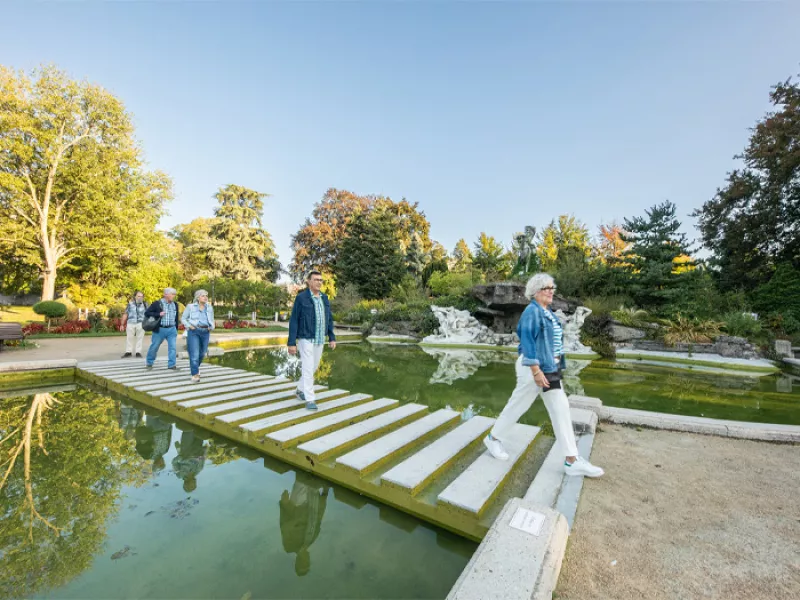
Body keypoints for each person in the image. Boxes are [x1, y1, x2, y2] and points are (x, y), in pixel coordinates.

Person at [483, 273, 604, 478]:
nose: (551, 291)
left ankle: (572, 459)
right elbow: (527, 341)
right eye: (546, 288)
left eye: (552, 288)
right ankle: (493, 438)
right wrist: (536, 371)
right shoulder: (532, 311)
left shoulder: (547, 313)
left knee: (560, 408)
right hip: (534, 368)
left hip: (549, 368)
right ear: (535, 291)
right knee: (519, 405)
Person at [287, 270, 336, 410]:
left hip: (320, 339)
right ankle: (310, 399)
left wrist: (332, 337)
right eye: (316, 279)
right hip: (306, 338)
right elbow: (294, 320)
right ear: (308, 281)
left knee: (313, 367)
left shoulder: (324, 298)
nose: (319, 282)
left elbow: (329, 319)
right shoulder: (301, 298)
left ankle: (299, 390)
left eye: (321, 280)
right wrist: (291, 342)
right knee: (308, 368)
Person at [279, 471, 330, 577]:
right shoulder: (311, 539)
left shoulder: (289, 546)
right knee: (313, 473)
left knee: (302, 476)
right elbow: (318, 517)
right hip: (313, 501)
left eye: (304, 562)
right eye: (308, 562)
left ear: (298, 561)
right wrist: (325, 494)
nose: (307, 559)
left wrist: (284, 503)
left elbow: (284, 524)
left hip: (297, 505)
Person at [181, 289, 215, 383]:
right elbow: (183, 319)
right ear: (198, 297)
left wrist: (211, 327)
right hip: (194, 331)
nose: (205, 297)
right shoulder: (190, 307)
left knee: (202, 353)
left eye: (206, 296)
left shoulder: (209, 307)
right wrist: (189, 326)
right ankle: (195, 374)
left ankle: (195, 368)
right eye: (203, 295)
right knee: (194, 354)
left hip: (205, 331)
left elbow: (211, 319)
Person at [144, 287, 180, 370]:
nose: (174, 296)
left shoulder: (175, 304)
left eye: (174, 294)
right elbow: (147, 313)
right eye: (172, 294)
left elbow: (176, 317)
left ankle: (172, 365)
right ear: (166, 294)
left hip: (172, 329)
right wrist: (158, 314)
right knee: (154, 346)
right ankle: (149, 363)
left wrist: (176, 328)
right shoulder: (157, 303)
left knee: (173, 347)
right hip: (160, 329)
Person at [121, 290, 147, 358]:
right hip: (131, 322)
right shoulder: (130, 304)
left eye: (141, 296)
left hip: (141, 323)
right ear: (135, 296)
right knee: (129, 338)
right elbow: (126, 313)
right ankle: (128, 352)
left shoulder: (145, 304)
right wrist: (122, 324)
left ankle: (138, 352)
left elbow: (148, 314)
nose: (140, 298)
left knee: (140, 338)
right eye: (138, 296)